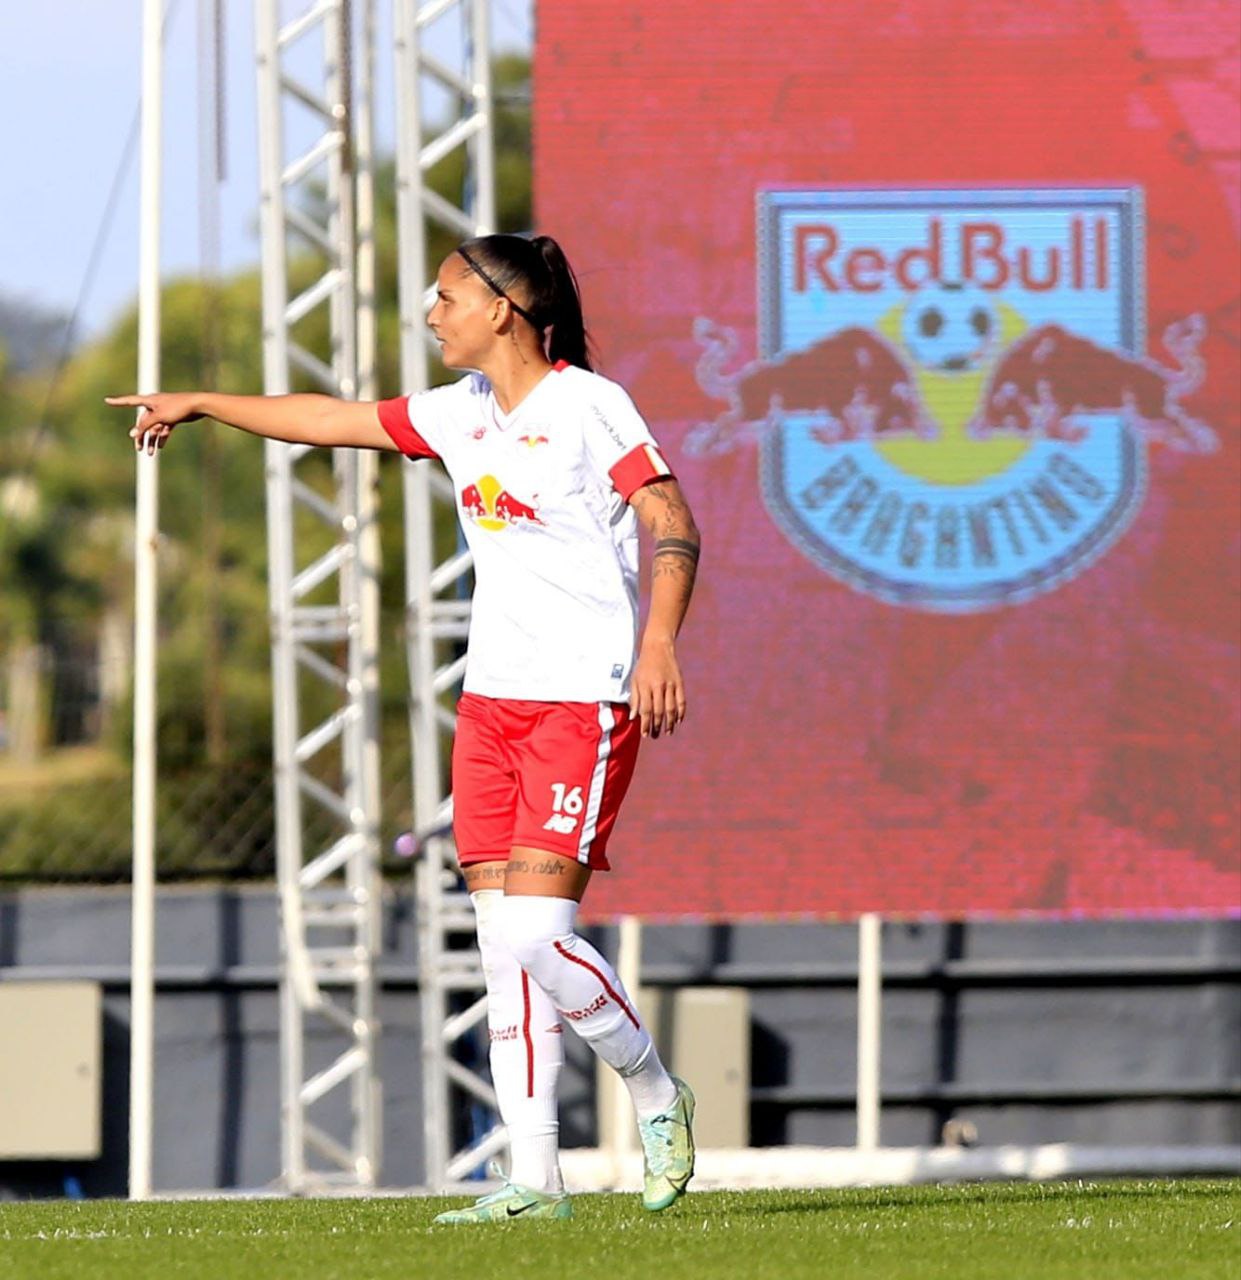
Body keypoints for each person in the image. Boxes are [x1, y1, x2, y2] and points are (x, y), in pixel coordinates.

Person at [107, 233, 702, 1223]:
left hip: (583, 700)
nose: (431, 312)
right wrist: (200, 402)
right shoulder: (455, 413)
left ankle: (652, 1090)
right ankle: (535, 1178)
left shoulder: (587, 405)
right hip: (491, 708)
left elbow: (670, 516)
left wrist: (657, 646)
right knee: (499, 945)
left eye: (446, 295)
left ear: (503, 309)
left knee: (536, 931)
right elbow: (327, 418)